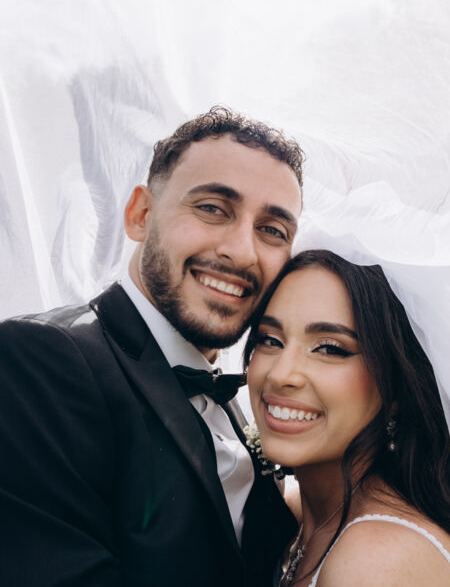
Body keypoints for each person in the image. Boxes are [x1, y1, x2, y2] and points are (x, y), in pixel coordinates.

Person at [0, 107, 303, 587]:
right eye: (212, 208)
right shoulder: (41, 359)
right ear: (140, 215)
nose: (242, 251)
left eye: (272, 230)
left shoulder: (238, 406)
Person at [245, 249, 450, 587]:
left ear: (396, 388)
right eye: (270, 340)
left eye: (330, 348)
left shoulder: (376, 562)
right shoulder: (309, 515)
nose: (281, 374)